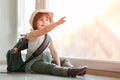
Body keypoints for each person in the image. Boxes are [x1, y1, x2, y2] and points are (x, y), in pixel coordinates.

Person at [25, 9, 87, 77]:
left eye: (47, 19)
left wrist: (59, 65)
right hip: (34, 63)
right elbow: (45, 30)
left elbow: (53, 51)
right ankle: (68, 72)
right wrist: (57, 23)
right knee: (51, 67)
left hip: (47, 60)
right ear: (34, 22)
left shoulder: (48, 37)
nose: (44, 22)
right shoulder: (33, 34)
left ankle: (70, 68)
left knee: (64, 60)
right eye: (41, 20)